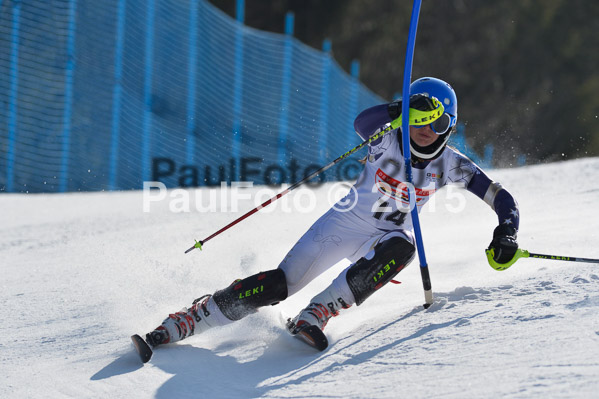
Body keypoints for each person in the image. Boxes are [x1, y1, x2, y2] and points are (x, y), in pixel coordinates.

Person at [141, 77, 520, 350]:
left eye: (437, 122)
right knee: (278, 286)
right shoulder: (386, 137)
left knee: (403, 247)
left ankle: (318, 312)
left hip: (382, 242)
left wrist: (507, 231)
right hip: (342, 225)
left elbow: (501, 198)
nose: (426, 129)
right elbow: (362, 122)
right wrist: (400, 110)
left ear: (450, 127)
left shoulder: (452, 164)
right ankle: (194, 317)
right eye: (419, 117)